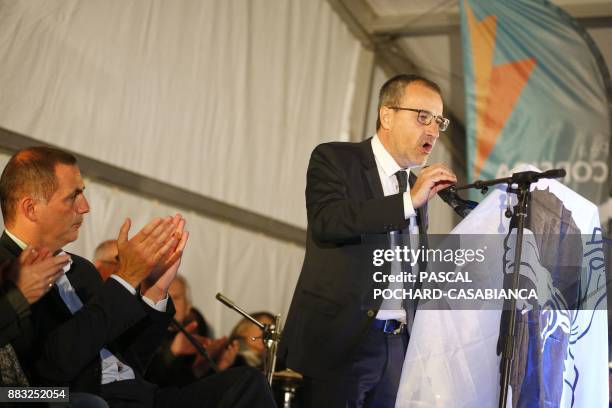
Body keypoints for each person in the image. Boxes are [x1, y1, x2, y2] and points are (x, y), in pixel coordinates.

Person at [0, 146, 275, 407]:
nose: (85, 207)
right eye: (73, 196)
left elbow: (128, 361)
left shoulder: (81, 270)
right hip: (76, 400)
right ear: (30, 208)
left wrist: (153, 292)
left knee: (247, 384)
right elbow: (48, 370)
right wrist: (125, 278)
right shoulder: (7, 274)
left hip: (139, 398)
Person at [279, 74, 457, 407]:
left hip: (397, 345)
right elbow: (328, 222)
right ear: (387, 115)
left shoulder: (416, 184)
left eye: (438, 121)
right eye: (422, 117)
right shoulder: (336, 159)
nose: (432, 130)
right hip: (344, 340)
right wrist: (408, 201)